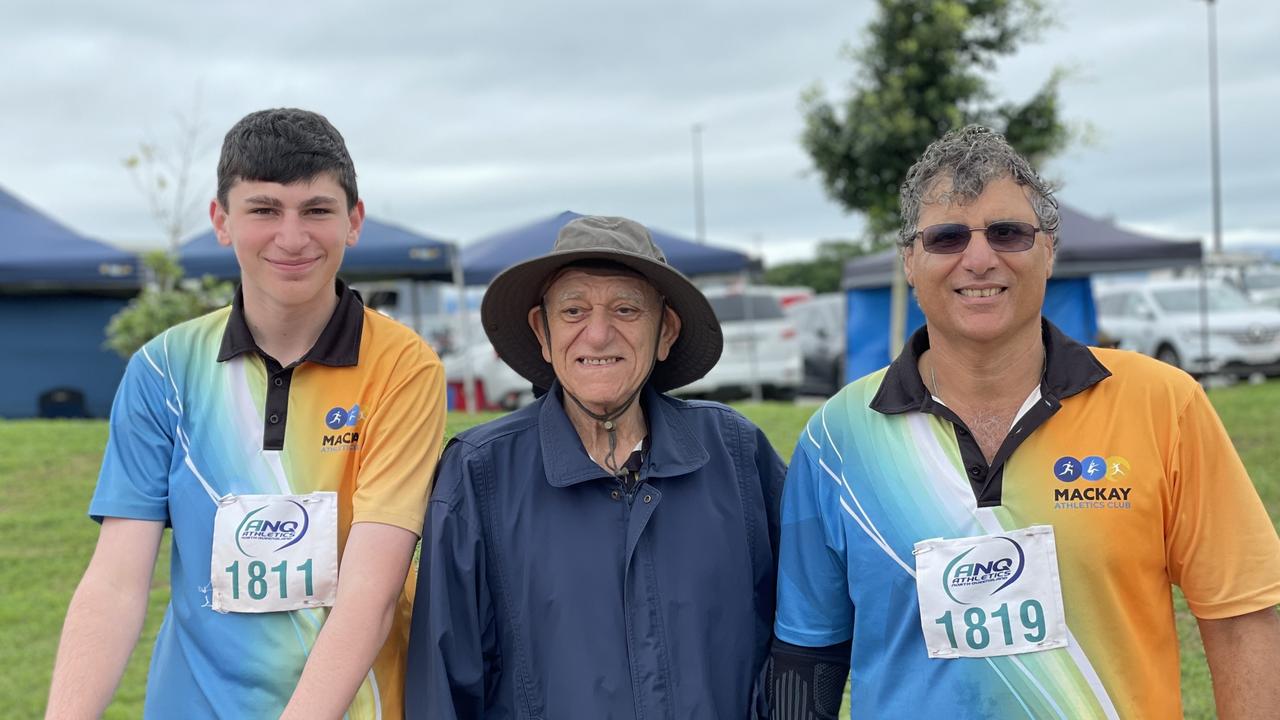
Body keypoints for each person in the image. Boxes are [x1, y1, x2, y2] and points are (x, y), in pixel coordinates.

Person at [768, 125, 1280, 719]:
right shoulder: (836, 439)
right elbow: (808, 656)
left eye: (1008, 233)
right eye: (947, 237)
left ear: (1049, 249)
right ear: (909, 259)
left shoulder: (1165, 404)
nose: (979, 259)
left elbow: (1243, 618)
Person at [46, 108, 446, 719]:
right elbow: (115, 583)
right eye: (263, 210)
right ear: (221, 221)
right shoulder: (164, 368)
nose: (292, 237)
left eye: (317, 210)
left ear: (354, 221)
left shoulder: (403, 366)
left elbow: (373, 586)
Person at [405, 215, 785, 718]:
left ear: (665, 331)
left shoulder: (736, 453)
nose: (598, 335)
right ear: (543, 331)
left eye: (626, 310)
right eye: (574, 310)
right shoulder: (479, 474)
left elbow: (803, 638)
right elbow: (442, 683)